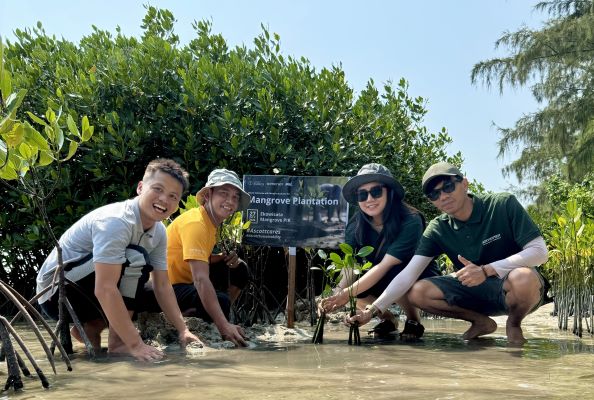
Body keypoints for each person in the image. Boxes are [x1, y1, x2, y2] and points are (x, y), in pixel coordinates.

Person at [348, 162, 549, 345]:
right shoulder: (438, 228)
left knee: (523, 277)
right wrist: (372, 311)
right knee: (417, 291)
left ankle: (513, 325)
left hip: (513, 289)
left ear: (465, 184)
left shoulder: (502, 204)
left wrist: (486, 270)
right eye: (434, 194)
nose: (443, 196)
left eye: (448, 187)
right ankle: (480, 322)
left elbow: (540, 252)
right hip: (474, 291)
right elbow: (408, 274)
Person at [36, 159, 202, 361]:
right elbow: (105, 288)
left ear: (177, 204)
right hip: (56, 295)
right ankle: (119, 343)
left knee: (143, 280)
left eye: (173, 196)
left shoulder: (159, 232)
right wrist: (136, 344)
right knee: (135, 258)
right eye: (157, 189)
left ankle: (92, 328)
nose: (164, 199)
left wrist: (183, 330)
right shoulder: (116, 221)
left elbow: (163, 285)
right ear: (140, 187)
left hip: (86, 295)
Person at [321, 163, 440, 338]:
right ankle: (387, 319)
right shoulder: (355, 225)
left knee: (393, 271)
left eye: (376, 191)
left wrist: (347, 294)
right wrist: (335, 296)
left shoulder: (411, 220)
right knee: (356, 283)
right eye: (362, 194)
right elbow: (350, 266)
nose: (369, 199)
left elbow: (387, 265)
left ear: (389, 193)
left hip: (409, 275)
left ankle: (414, 319)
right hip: (378, 274)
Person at [166, 168, 251, 347]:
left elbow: (193, 259)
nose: (230, 201)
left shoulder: (210, 223)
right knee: (222, 300)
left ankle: (210, 315)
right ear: (207, 196)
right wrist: (224, 326)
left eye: (235, 196)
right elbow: (200, 279)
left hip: (185, 283)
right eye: (224, 194)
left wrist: (219, 258)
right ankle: (208, 318)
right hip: (167, 288)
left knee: (240, 269)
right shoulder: (196, 223)